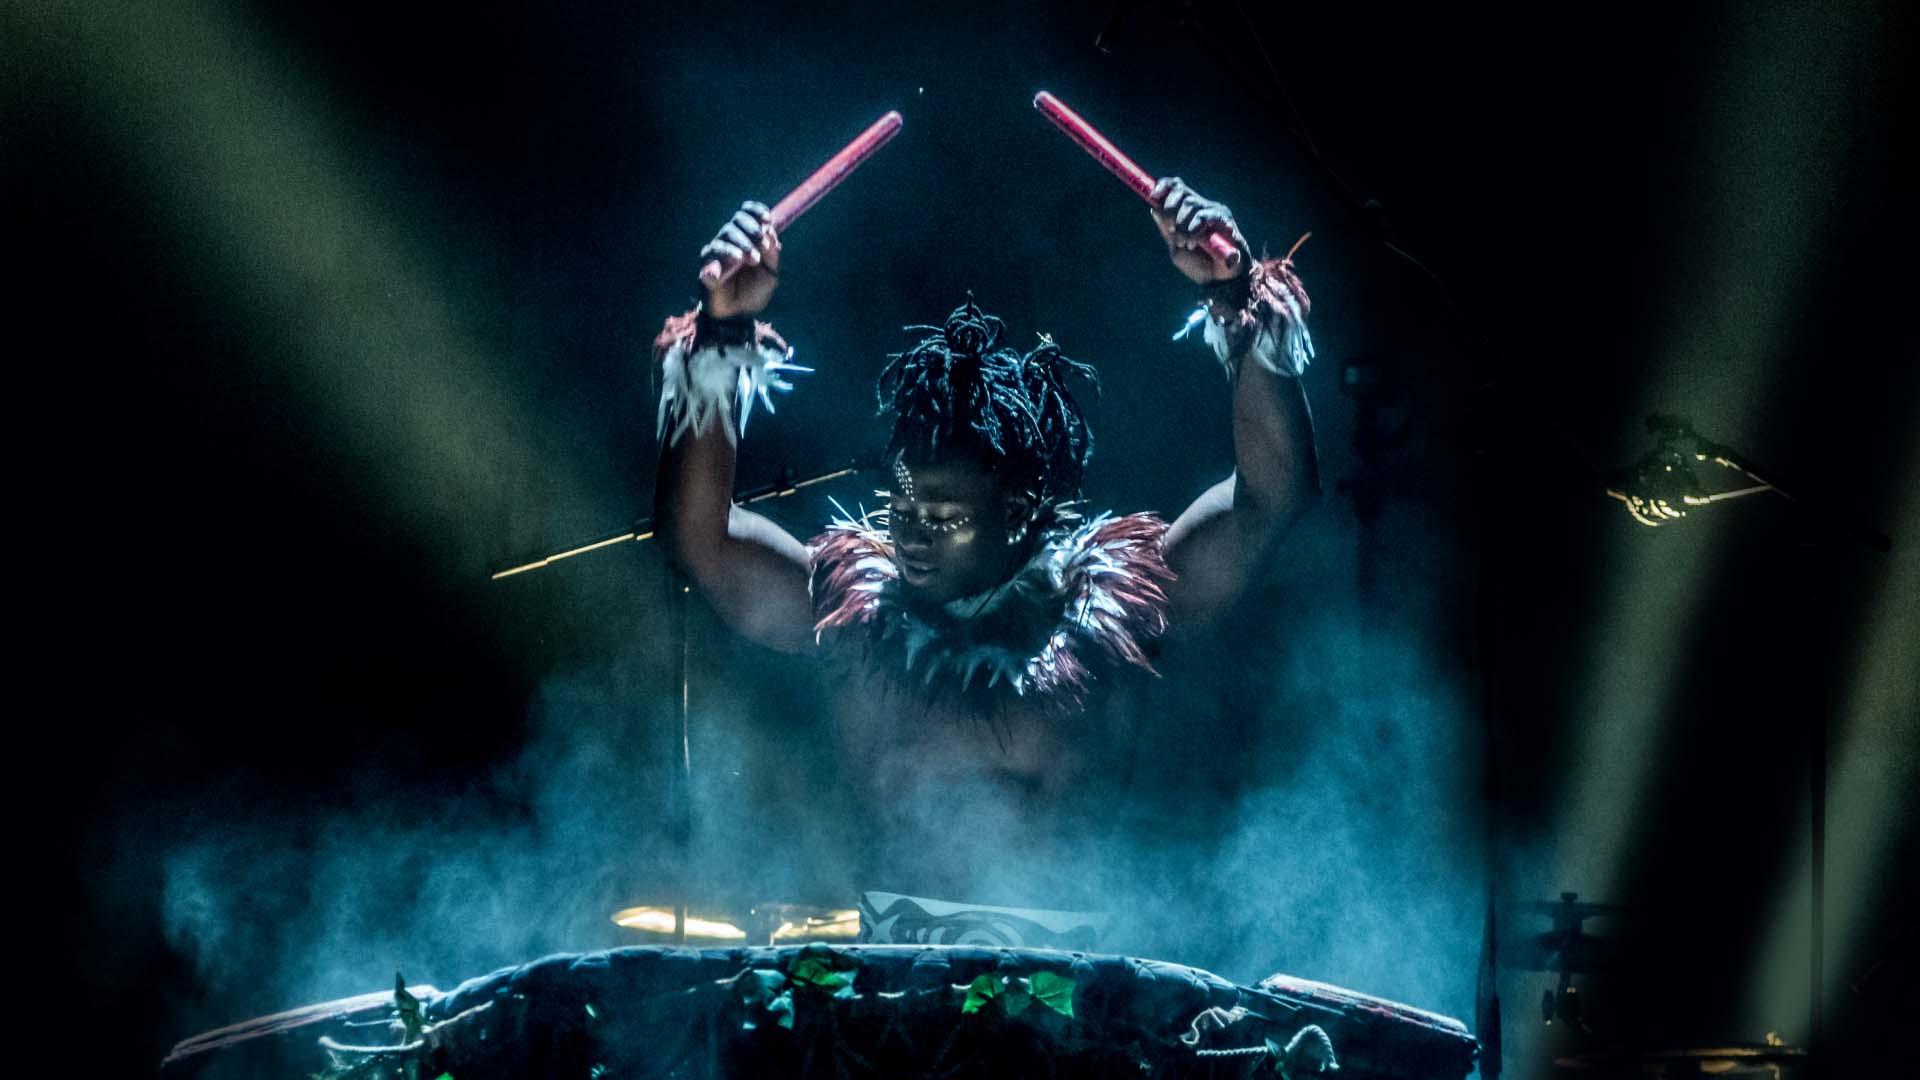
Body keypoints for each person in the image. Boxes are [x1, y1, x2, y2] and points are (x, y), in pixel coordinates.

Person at [651, 177, 1319, 902]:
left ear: (1020, 509)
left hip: (1068, 992)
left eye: (942, 517)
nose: (910, 535)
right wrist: (720, 332)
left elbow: (1268, 500)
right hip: (894, 991)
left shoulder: (1109, 611)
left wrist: (1239, 295)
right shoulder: (852, 613)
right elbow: (705, 541)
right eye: (900, 509)